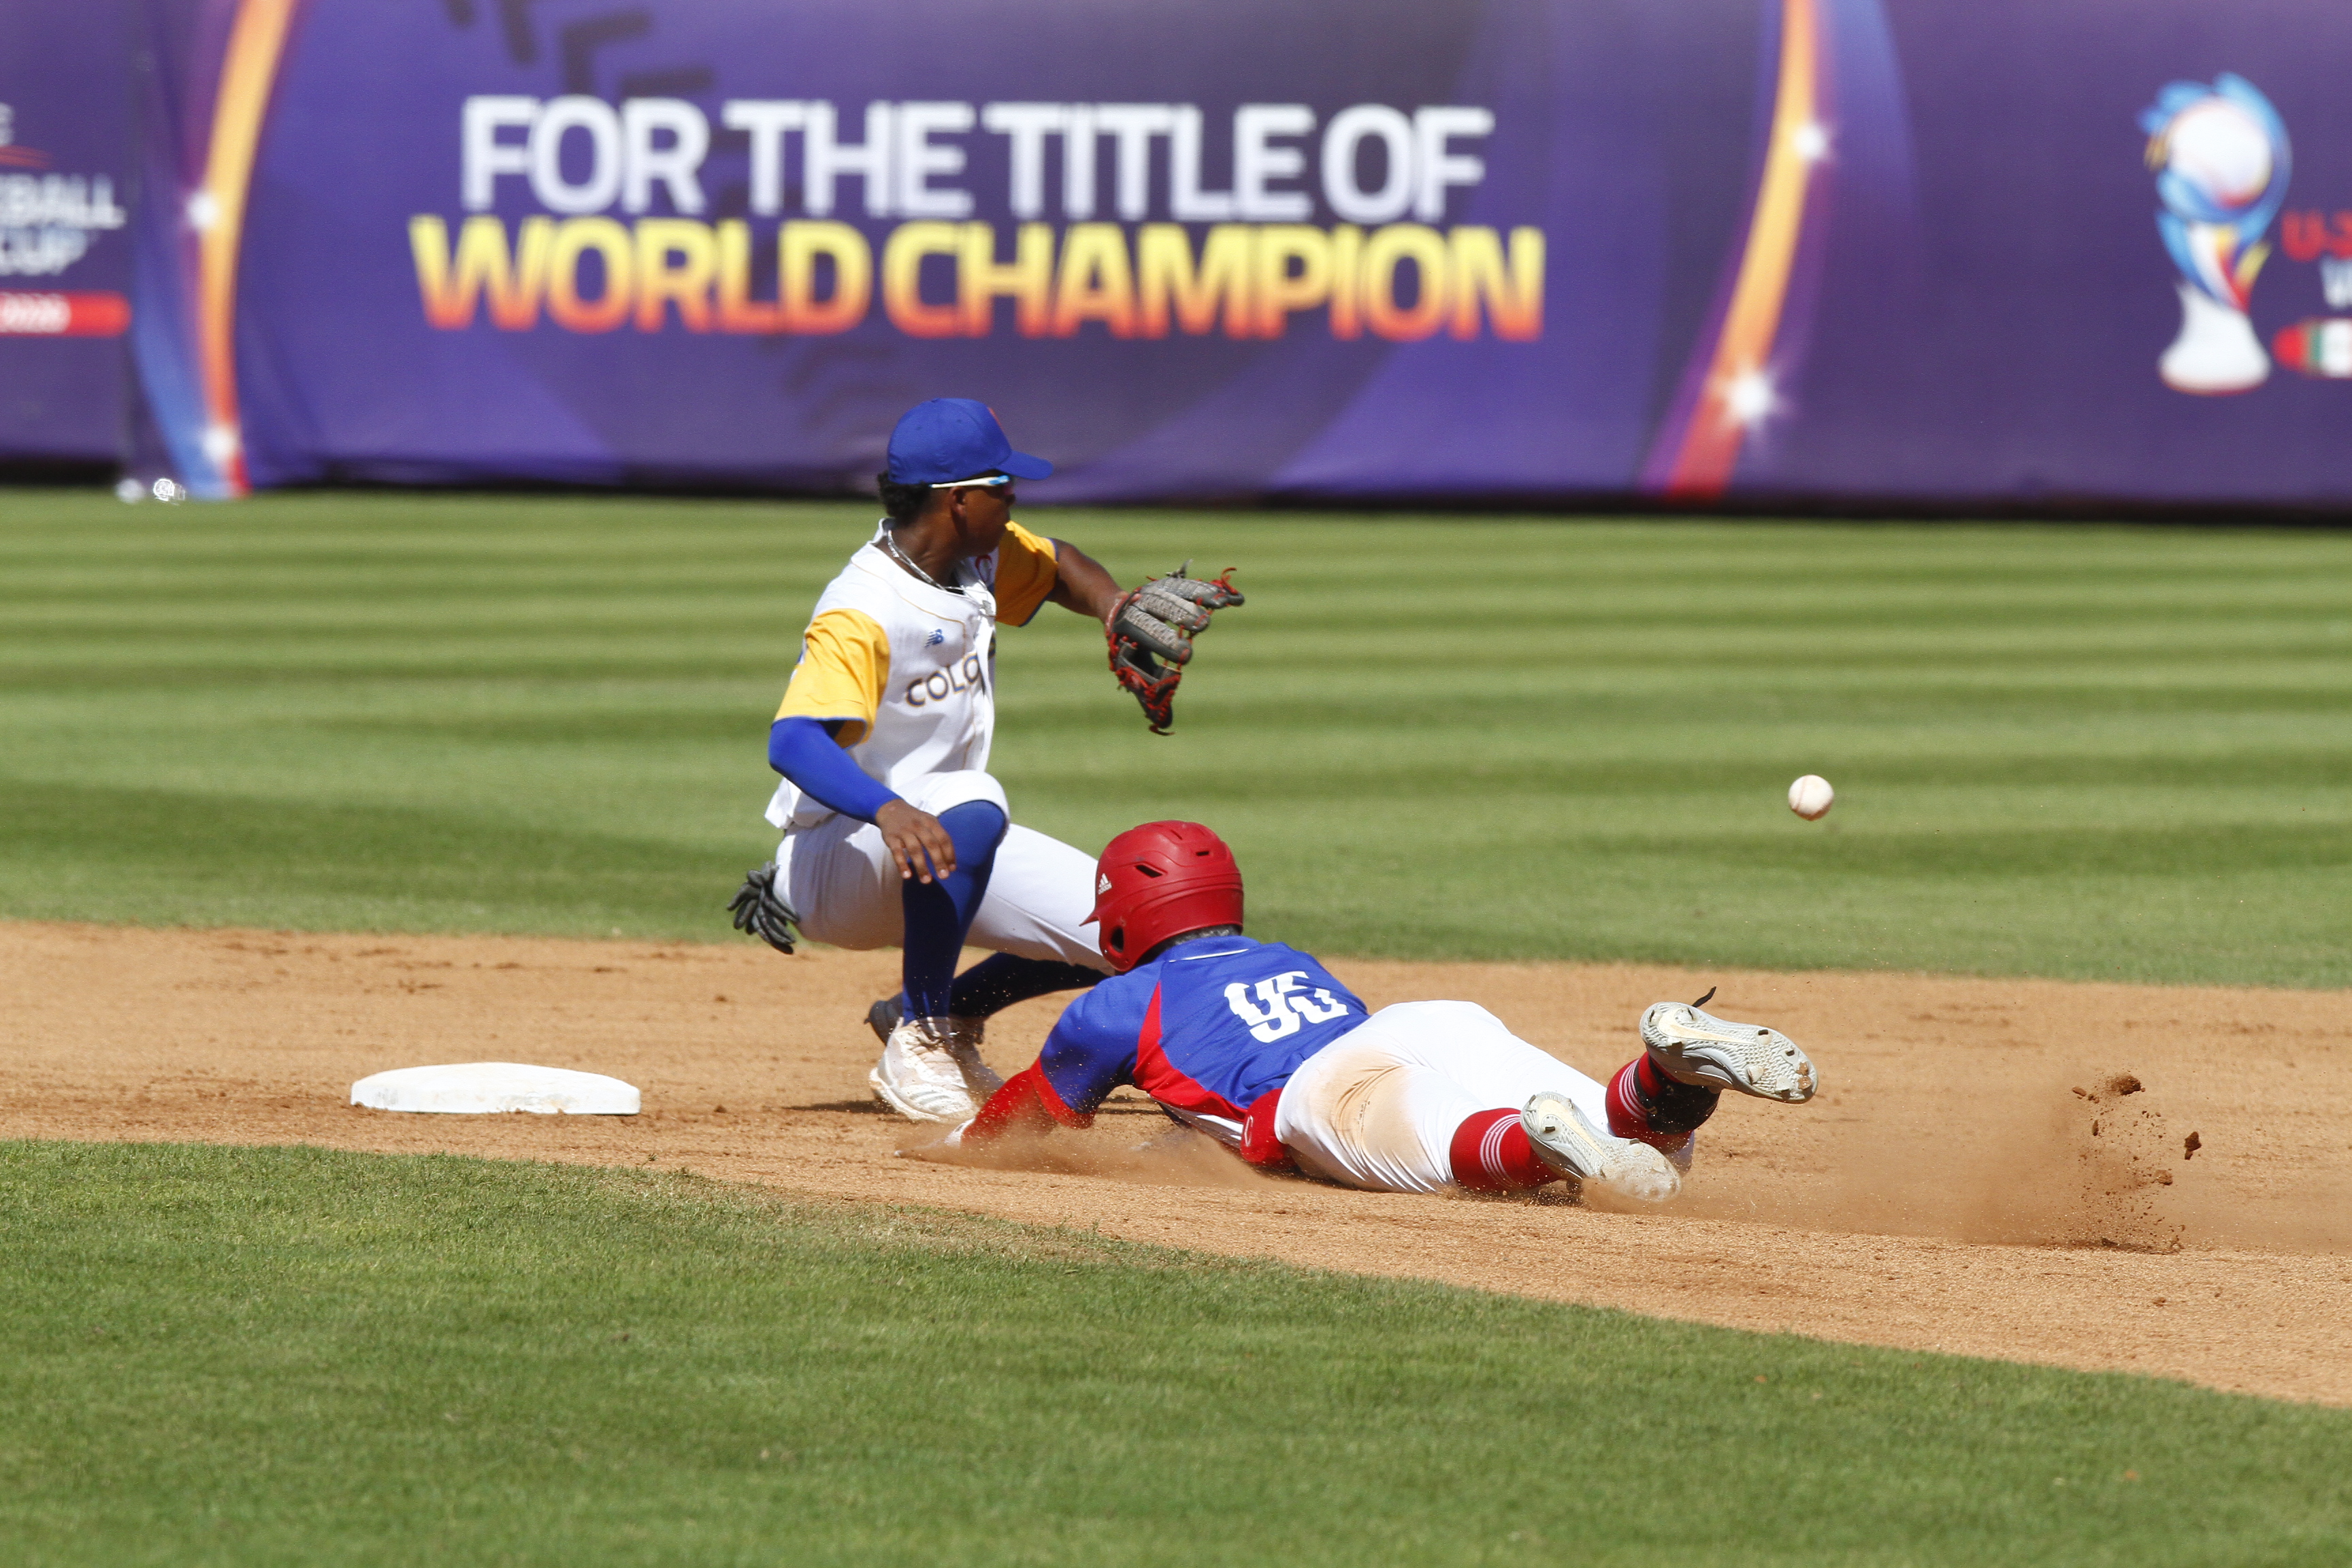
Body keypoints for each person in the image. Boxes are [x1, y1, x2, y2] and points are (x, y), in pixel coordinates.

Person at [732, 399, 1237, 1126]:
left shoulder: (973, 561)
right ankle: (921, 1039)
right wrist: (888, 808)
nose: (1014, 500)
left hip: (942, 842)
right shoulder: (864, 608)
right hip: (839, 858)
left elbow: (1059, 563)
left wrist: (1111, 603)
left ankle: (942, 1009)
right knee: (974, 796)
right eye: (1003, 487)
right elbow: (794, 741)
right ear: (957, 500)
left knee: (1131, 922)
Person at [938, 821, 1818, 1203]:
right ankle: (1666, 1074)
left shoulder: (1118, 1001)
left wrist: (968, 1145)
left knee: (1470, 1155)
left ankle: (1535, 1142)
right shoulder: (1287, 959)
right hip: (1427, 1021)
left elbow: (1037, 1115)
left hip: (1326, 1094)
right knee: (1650, 1145)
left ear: (1126, 919)